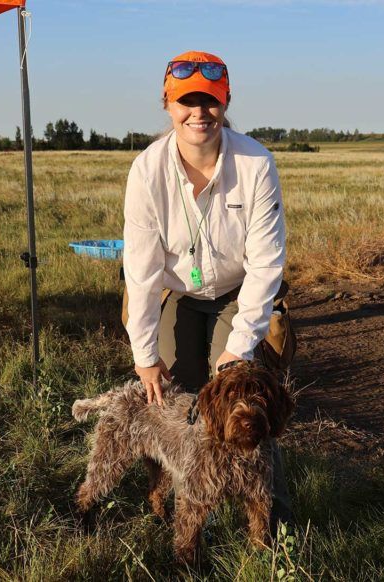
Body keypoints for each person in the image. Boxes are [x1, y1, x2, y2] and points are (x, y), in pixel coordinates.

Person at [122, 50, 292, 523]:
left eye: (210, 101)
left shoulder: (256, 164)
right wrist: (144, 355)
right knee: (175, 395)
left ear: (226, 100)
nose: (199, 112)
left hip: (239, 294)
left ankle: (271, 517)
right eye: (187, 101)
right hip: (177, 292)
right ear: (167, 103)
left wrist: (239, 347)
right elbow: (140, 269)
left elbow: (265, 265)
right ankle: (185, 503)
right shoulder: (147, 171)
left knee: (241, 389)